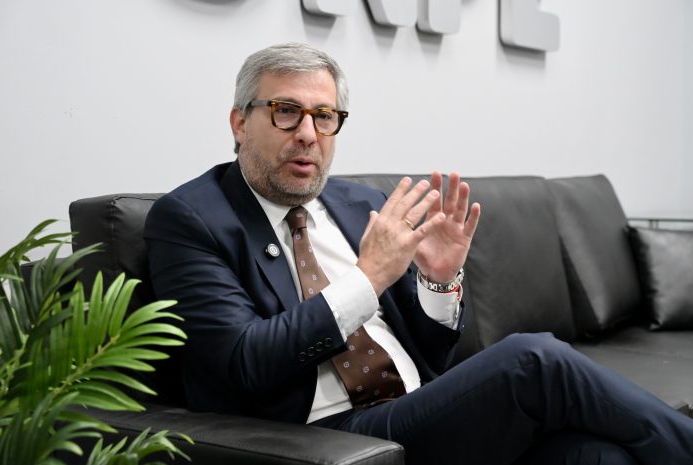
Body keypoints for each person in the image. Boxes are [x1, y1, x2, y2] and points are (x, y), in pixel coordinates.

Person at [144, 43, 693, 465]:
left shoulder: (359, 204)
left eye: (325, 115)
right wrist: (367, 278)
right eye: (286, 111)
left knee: (603, 457)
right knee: (534, 360)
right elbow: (243, 363)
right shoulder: (190, 219)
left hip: (418, 410)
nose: (308, 133)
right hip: (324, 436)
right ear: (240, 123)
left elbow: (432, 351)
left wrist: (438, 280)